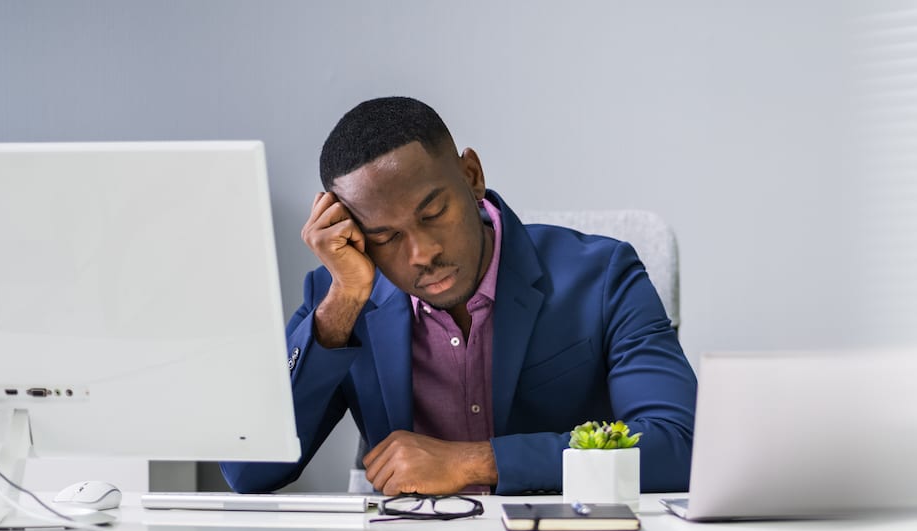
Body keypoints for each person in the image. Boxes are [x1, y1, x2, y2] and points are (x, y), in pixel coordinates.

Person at [220, 97, 697, 496]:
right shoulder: (340, 298)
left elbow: (680, 447)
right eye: (385, 237)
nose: (422, 253)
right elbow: (247, 471)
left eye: (433, 213)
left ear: (471, 176)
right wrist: (342, 303)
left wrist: (479, 463)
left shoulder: (602, 275)